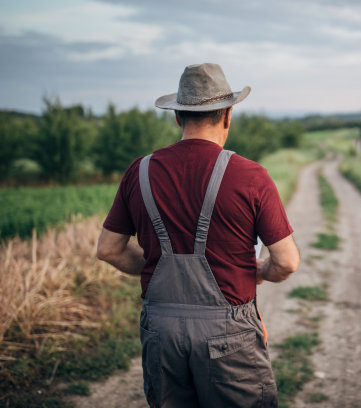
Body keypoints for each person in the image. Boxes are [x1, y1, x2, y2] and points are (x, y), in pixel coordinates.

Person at [96, 62, 300, 407]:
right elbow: (287, 262)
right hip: (229, 335)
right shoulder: (251, 176)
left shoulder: (140, 171)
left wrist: (156, 266)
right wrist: (258, 271)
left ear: (177, 117)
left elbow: (109, 250)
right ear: (228, 115)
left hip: (161, 332)